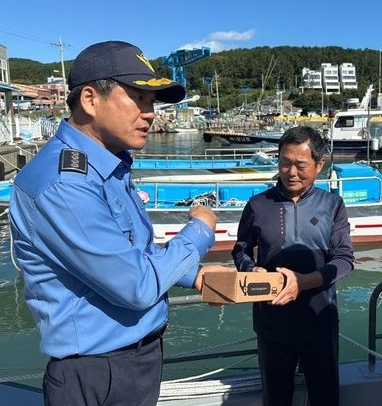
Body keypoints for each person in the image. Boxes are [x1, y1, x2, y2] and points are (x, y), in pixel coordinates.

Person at [9, 40, 233, 406]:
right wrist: (200, 231)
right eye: (139, 99)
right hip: (97, 373)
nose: (151, 113)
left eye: (153, 103)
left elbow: (133, 253)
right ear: (90, 99)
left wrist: (192, 275)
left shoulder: (108, 167)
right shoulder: (64, 184)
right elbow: (136, 286)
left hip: (131, 362)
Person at [231, 126, 354, 406]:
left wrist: (303, 282)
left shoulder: (332, 205)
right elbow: (241, 250)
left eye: (300, 165)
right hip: (272, 325)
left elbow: (344, 260)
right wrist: (251, 271)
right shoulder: (257, 205)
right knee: (276, 399)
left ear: (319, 165)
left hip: (319, 322)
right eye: (285, 162)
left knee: (325, 398)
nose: (291, 172)